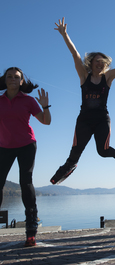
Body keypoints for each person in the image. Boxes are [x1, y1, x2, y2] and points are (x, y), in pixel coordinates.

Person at [50, 18, 115, 185]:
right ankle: (68, 167)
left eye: (103, 62)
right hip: (84, 120)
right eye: (97, 61)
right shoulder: (83, 76)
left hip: (101, 120)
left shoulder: (107, 78)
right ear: (91, 63)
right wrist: (65, 35)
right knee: (75, 153)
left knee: (104, 151)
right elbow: (75, 54)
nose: (100, 64)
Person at [0, 67, 51, 247]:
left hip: (26, 145)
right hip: (3, 147)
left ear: (22, 81)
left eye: (16, 77)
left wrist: (45, 106)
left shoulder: (28, 101)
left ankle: (31, 230)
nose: (13, 79)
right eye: (9, 77)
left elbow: (46, 121)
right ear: (4, 80)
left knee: (25, 182)